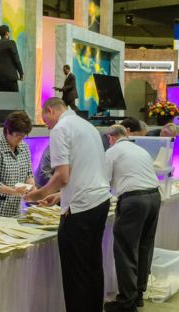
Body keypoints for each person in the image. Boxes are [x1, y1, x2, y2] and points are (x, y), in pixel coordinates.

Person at [24, 98, 111, 312]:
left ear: (51, 110)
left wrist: (39, 194)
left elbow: (62, 176)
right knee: (93, 265)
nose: (47, 125)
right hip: (100, 202)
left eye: (46, 121)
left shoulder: (60, 129)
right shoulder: (87, 126)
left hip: (81, 209)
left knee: (76, 274)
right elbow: (84, 171)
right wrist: (61, 196)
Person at [103, 125, 161, 312]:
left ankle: (126, 302)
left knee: (126, 250)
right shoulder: (140, 149)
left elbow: (103, 181)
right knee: (145, 246)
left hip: (134, 201)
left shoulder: (112, 152)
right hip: (154, 197)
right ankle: (138, 295)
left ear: (111, 138)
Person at [0, 25, 24, 92]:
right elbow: (16, 59)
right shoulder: (11, 43)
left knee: (3, 100)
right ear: (7, 33)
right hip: (10, 77)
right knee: (14, 99)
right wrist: (21, 73)